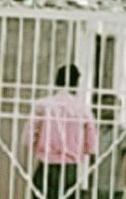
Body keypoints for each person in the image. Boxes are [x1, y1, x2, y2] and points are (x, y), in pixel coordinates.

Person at [26, 64, 98, 199]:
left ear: (56, 81)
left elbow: (28, 138)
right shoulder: (82, 108)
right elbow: (91, 145)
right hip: (70, 168)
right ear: (76, 84)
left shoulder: (43, 105)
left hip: (46, 164)